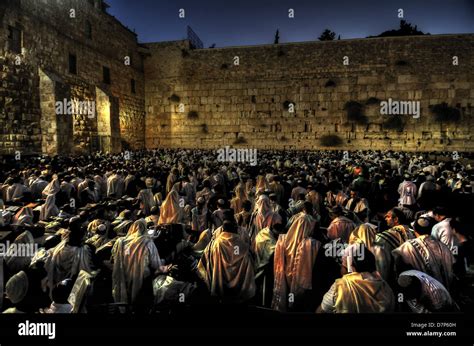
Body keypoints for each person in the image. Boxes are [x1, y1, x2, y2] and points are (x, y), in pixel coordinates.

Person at [318, 243, 395, 313]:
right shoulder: (385, 287)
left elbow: (322, 311)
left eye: (342, 265)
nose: (341, 269)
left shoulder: (340, 287)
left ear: (351, 268)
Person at [197, 221, 256, 304]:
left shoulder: (214, 244)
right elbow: (251, 263)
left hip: (219, 288)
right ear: (236, 230)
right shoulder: (243, 245)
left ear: (222, 229)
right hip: (239, 290)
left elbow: (203, 264)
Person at [272, 212, 320, 312]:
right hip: (299, 281)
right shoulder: (311, 244)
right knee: (296, 302)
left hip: (284, 277)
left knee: (287, 297)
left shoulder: (282, 240)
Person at [111, 219, 165, 307]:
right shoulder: (148, 243)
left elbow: (113, 259)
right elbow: (156, 264)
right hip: (142, 278)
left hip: (124, 276)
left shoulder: (120, 242)